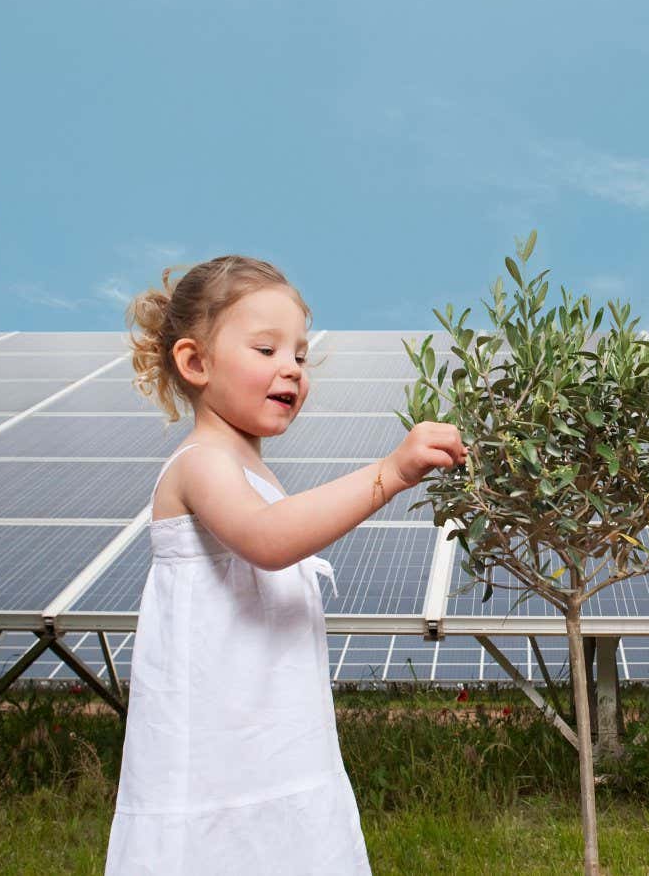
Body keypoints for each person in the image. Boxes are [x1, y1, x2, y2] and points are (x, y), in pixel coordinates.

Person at [106, 255, 467, 875]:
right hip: (215, 762)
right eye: (266, 349)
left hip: (275, 749)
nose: (292, 369)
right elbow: (269, 539)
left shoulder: (254, 472)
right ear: (195, 363)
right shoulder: (201, 463)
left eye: (300, 354)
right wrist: (392, 472)